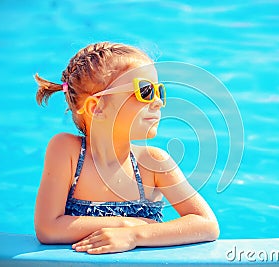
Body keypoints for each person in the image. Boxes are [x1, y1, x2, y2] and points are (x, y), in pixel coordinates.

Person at [34, 41, 219, 254]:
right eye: (145, 91)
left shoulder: (153, 163)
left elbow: (206, 224)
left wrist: (134, 235)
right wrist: (125, 224)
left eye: (159, 91)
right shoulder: (67, 152)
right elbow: (47, 228)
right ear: (96, 107)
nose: (158, 102)